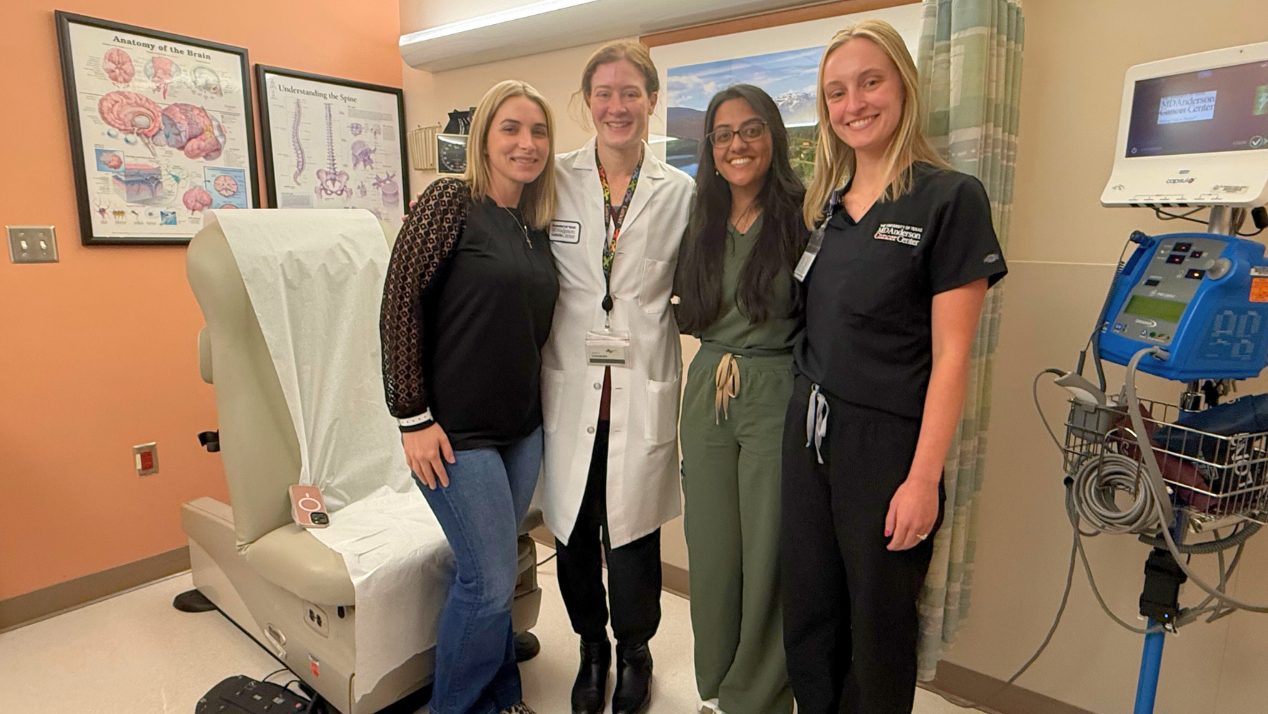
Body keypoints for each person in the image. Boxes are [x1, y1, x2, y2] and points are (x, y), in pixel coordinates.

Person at [781, 20, 1008, 714]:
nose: (854, 104)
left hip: (886, 446)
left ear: (903, 86)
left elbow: (951, 357)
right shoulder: (826, 206)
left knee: (877, 624)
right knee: (810, 607)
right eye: (837, 92)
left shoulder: (949, 198)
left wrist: (922, 479)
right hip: (810, 431)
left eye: (870, 82)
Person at [380, 79, 558, 714]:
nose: (526, 143)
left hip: (522, 431)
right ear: (483, 137)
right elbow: (399, 305)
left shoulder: (534, 227)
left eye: (538, 131)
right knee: (487, 583)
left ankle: (502, 695)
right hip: (456, 432)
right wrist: (412, 417)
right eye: (510, 128)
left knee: (493, 573)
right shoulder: (449, 202)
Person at [539, 40, 694, 714]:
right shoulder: (556, 178)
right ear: (587, 102)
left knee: (633, 536)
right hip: (570, 389)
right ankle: (590, 647)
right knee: (572, 533)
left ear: (651, 101)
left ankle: (635, 651)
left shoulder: (680, 192)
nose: (617, 105)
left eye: (630, 92)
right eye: (603, 93)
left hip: (640, 391)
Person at [673, 84, 805, 714]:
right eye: (722, 134)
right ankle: (716, 685)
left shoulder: (803, 215)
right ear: (710, 148)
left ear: (773, 136)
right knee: (714, 547)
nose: (736, 144)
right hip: (706, 390)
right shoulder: (699, 218)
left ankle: (759, 695)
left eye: (750, 129)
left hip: (774, 388)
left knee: (768, 548)